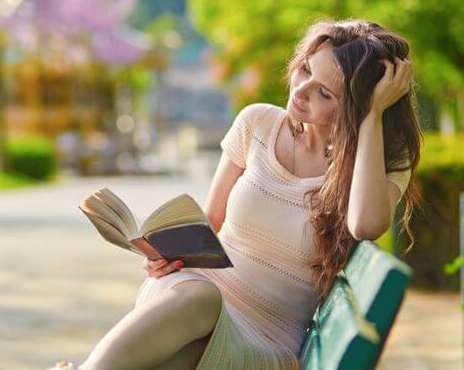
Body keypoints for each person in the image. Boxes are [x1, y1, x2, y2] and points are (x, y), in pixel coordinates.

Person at [49, 19, 423, 370]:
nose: (300, 90)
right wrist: (163, 258)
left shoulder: (379, 162)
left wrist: (372, 116)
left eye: (323, 92)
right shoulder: (257, 123)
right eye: (305, 70)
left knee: (176, 353)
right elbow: (211, 221)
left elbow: (366, 224)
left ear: (354, 107)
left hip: (266, 338)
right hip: (193, 293)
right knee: (199, 302)